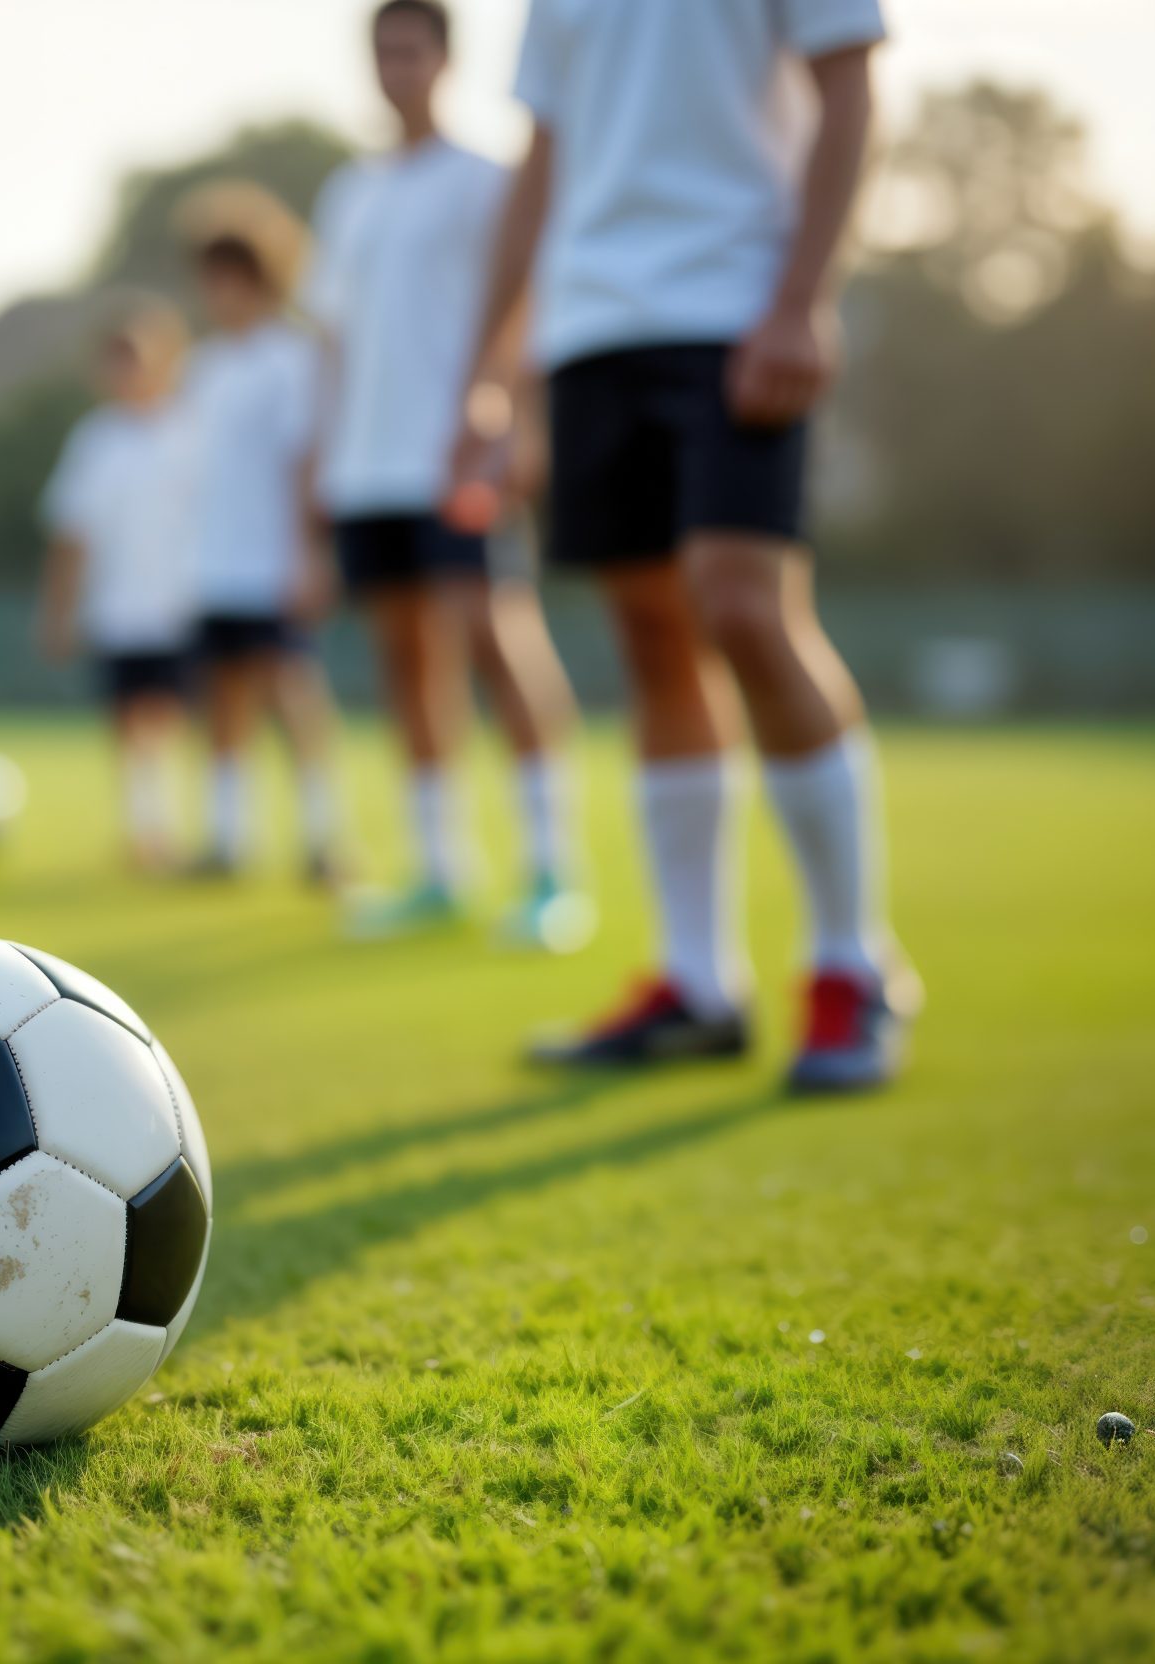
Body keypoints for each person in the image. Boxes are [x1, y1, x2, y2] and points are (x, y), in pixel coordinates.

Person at [456, 0, 916, 1089]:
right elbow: (544, 156)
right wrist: (488, 366)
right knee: (653, 638)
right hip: (591, 331)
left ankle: (854, 963)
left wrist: (803, 298)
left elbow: (848, 84)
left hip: (737, 306)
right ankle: (697, 981)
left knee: (744, 607)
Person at [310, 0, 592, 950]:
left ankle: (555, 872)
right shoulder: (350, 194)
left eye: (411, 50)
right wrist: (324, 461)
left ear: (444, 61)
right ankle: (441, 871)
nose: (396, 67)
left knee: (495, 639)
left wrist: (522, 424)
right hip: (368, 466)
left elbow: (529, 313)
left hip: (457, 451)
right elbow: (336, 343)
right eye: (382, 52)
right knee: (405, 658)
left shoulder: (487, 183)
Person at [175, 186, 348, 884]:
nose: (223, 293)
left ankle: (322, 839)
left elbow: (306, 460)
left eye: (235, 278)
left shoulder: (292, 357)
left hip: (274, 558)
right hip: (215, 562)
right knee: (224, 699)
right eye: (212, 280)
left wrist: (308, 553)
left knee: (292, 694)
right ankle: (227, 838)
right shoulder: (205, 367)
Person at [37, 299, 201, 872]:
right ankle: (144, 828)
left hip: (182, 605)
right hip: (116, 609)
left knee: (169, 717)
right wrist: (59, 611)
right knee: (128, 719)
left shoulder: (193, 430)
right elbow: (72, 531)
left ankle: (174, 825)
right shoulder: (96, 440)